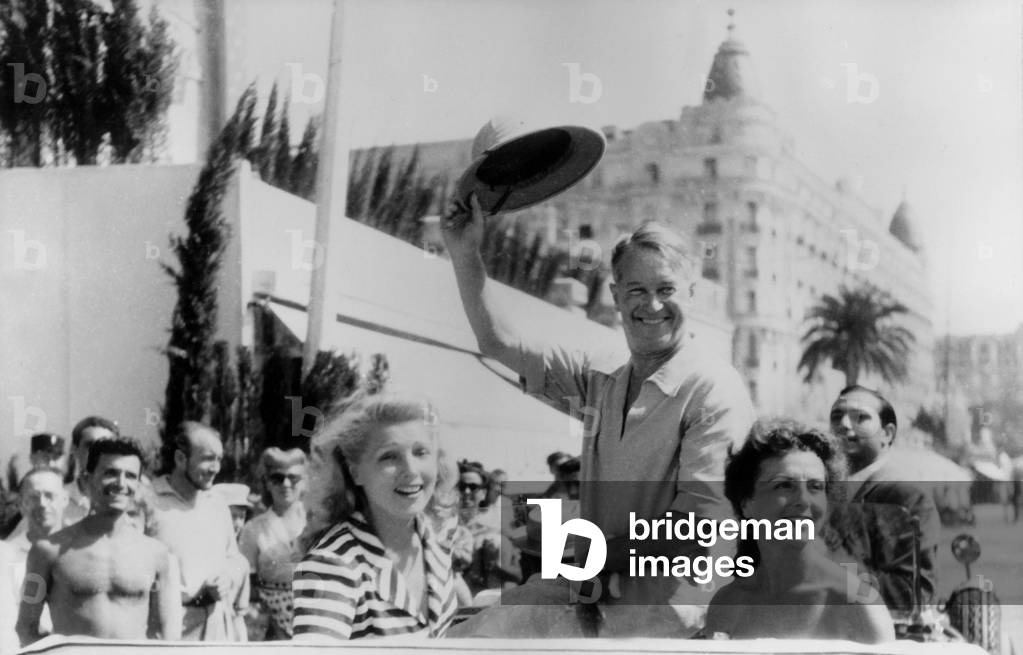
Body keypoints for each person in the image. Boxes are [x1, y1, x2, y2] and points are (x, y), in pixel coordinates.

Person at [442, 199, 755, 608]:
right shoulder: (603, 377)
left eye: (666, 290)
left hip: (677, 619)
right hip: (602, 598)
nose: (653, 305)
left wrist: (580, 556)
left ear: (691, 294)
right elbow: (498, 342)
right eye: (637, 291)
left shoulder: (714, 389)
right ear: (616, 297)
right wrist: (465, 252)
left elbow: (698, 530)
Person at [702, 419, 894, 642]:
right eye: (784, 485)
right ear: (746, 503)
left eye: (815, 487)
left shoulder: (859, 602)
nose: (803, 500)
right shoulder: (728, 603)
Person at [292, 394, 458, 640]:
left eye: (421, 452)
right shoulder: (333, 564)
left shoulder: (436, 543)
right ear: (355, 472)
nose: (411, 470)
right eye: (389, 456)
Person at [15, 438, 182, 644]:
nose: (121, 483)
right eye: (110, 473)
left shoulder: (156, 555)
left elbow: (166, 635)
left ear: (138, 485)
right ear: (87, 480)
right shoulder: (46, 552)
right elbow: (26, 627)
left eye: (130, 476)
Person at [827, 385, 940, 614]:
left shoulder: (907, 496)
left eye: (861, 417)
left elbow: (911, 591)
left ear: (887, 434)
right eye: (836, 417)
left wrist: (828, 580)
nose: (844, 425)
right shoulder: (818, 491)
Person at [149, 421, 249, 641]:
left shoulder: (218, 504)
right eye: (207, 459)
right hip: (169, 634)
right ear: (180, 459)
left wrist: (227, 577)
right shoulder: (150, 501)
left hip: (216, 629)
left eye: (219, 459)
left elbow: (234, 558)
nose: (216, 468)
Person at [239, 448, 308, 640]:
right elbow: (246, 582)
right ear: (267, 483)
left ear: (303, 482)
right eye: (277, 478)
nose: (286, 484)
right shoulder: (253, 529)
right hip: (271, 622)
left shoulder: (317, 521)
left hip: (315, 612)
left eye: (293, 478)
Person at [3, 468, 68, 641]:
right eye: (33, 497)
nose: (42, 504)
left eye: (50, 496)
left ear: (65, 500)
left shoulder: (81, 551)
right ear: (21, 505)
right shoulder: (4, 556)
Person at [64, 416, 119, 524]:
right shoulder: (55, 499)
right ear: (74, 450)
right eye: (90, 445)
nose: (97, 452)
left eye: (105, 446)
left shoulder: (126, 500)